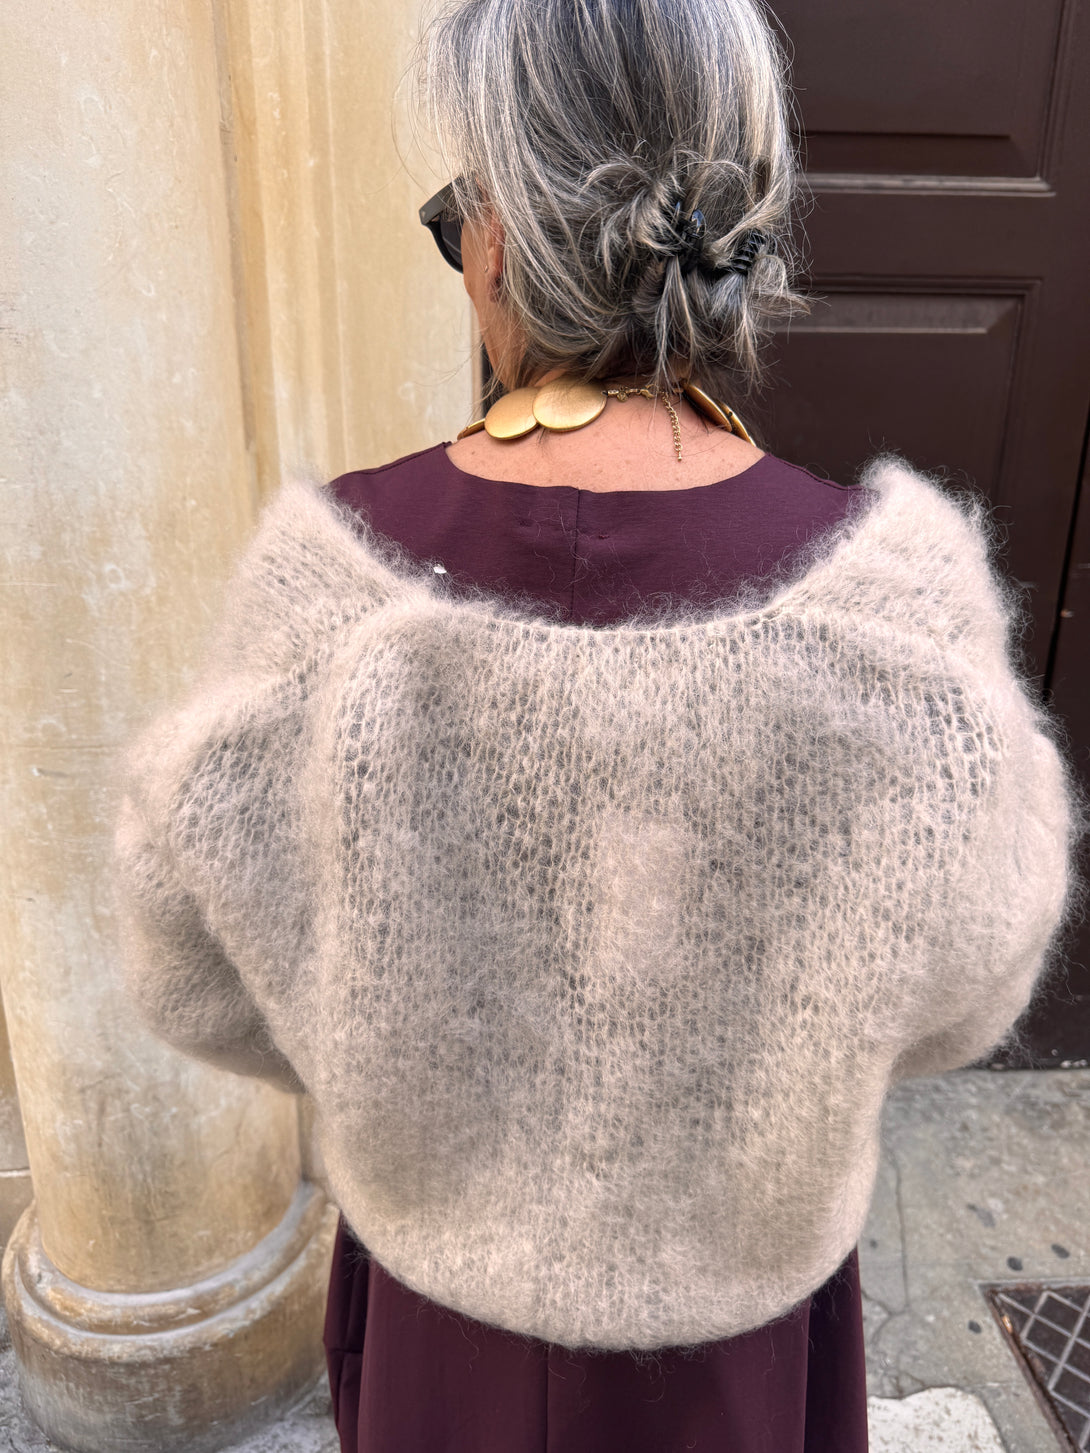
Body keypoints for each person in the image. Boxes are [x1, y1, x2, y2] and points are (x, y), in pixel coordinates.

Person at [113, 1, 1086, 1450]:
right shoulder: (899, 610)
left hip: (441, 1316)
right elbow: (970, 987)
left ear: (501, 234)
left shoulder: (328, 590)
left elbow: (191, 969)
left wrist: (402, 1054)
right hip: (745, 1332)